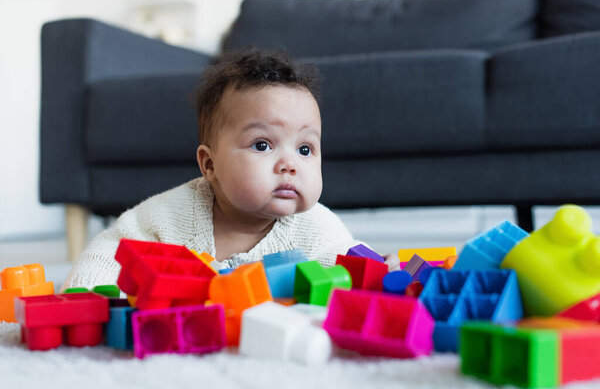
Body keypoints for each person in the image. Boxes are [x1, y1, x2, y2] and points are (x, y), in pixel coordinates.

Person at [62, 47, 399, 290]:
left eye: (305, 149)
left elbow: (342, 261)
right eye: (263, 145)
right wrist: (88, 293)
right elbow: (115, 249)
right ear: (210, 165)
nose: (289, 165)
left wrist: (377, 272)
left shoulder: (313, 226)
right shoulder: (172, 216)